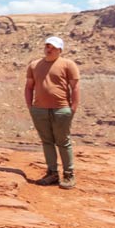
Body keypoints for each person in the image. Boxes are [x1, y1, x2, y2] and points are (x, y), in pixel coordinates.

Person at [25, 35, 81, 189]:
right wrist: (30, 106)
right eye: (47, 46)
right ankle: (52, 173)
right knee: (47, 141)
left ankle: (69, 175)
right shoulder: (34, 65)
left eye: (53, 47)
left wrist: (73, 108)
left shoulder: (68, 64)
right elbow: (29, 87)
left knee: (63, 142)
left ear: (60, 50)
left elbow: (75, 87)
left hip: (61, 109)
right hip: (39, 110)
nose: (49, 49)